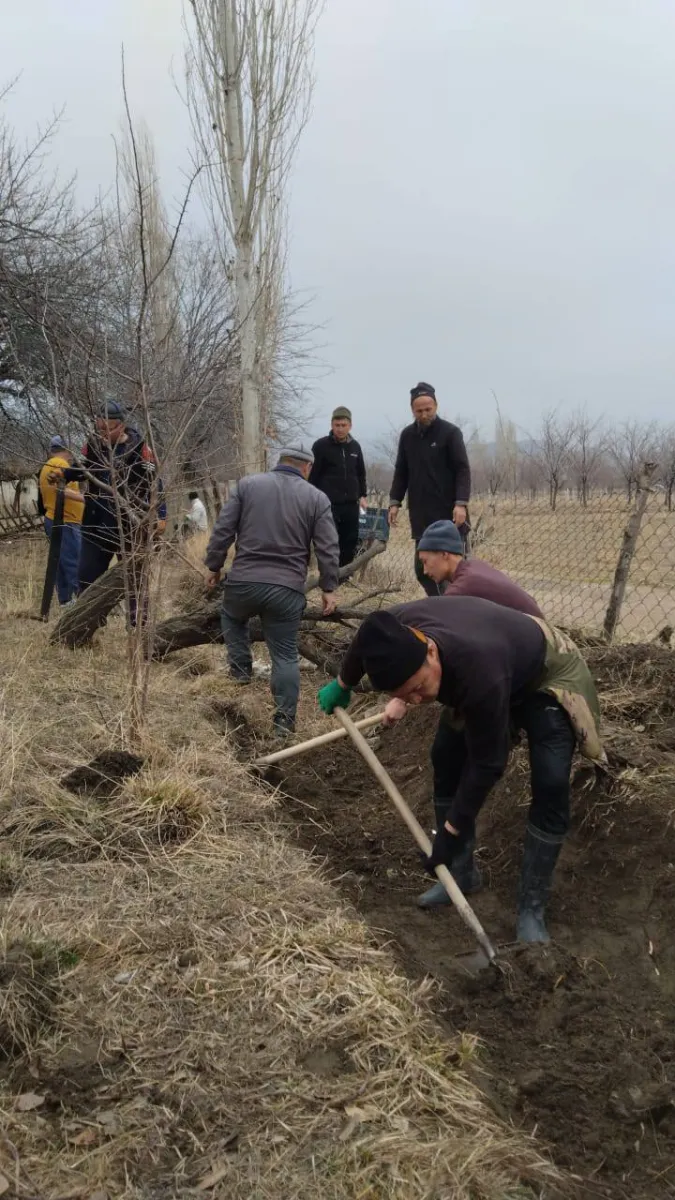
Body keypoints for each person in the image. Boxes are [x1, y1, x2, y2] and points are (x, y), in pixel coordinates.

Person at [317, 597, 603, 944]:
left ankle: (531, 910)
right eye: (407, 696)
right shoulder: (394, 626)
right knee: (446, 755)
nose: (418, 700)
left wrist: (451, 830)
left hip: (546, 670)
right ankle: (462, 874)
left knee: (551, 779)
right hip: (494, 661)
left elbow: (488, 762)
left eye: (419, 688)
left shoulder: (477, 671)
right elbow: (365, 635)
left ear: (431, 652)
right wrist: (343, 684)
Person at [205, 445, 340, 739]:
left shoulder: (248, 485)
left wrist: (213, 566)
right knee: (285, 655)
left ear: (279, 463)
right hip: (287, 588)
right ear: (307, 468)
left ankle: (241, 671)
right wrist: (329, 587)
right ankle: (283, 723)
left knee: (231, 615)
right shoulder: (316, 498)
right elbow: (328, 547)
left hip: (243, 583)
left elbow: (223, 530)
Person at [60, 398, 166, 621]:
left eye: (107, 429)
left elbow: (155, 483)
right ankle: (87, 624)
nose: (103, 434)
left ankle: (138, 628)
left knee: (135, 581)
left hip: (131, 526)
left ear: (121, 425)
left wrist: (161, 515)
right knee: (86, 578)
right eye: (99, 429)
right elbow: (85, 470)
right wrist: (64, 474)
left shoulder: (140, 450)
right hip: (96, 524)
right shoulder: (94, 446)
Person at [388, 382, 471, 596]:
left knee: (456, 572)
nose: (424, 414)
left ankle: (460, 612)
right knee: (422, 570)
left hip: (450, 515)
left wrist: (461, 503)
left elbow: (463, 469)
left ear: (436, 406)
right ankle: (440, 606)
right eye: (419, 410)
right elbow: (401, 471)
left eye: (428, 409)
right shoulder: (407, 436)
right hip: (422, 515)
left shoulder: (451, 433)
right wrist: (394, 501)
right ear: (412, 410)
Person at [417, 520, 543, 616]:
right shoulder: (474, 566)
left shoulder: (465, 584)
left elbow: (436, 616)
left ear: (444, 554)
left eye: (425, 561)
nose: (425, 571)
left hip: (536, 642)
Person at [310, 407, 367, 567]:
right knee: (328, 540)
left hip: (351, 504)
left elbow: (360, 473)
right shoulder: (320, 446)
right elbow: (313, 475)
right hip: (327, 504)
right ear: (332, 425)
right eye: (337, 425)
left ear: (350, 426)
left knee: (349, 540)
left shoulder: (355, 447)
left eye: (343, 425)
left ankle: (343, 575)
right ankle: (328, 574)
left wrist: (363, 495)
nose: (340, 429)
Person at [38, 437, 84, 605]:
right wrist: (86, 498)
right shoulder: (61, 465)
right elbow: (62, 491)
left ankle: (65, 600)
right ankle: (83, 601)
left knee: (60, 561)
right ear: (67, 450)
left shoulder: (46, 466)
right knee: (74, 560)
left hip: (53, 518)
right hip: (66, 520)